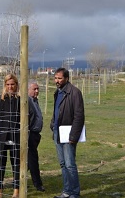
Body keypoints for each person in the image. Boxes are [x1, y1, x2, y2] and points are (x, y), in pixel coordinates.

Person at [50, 68, 85, 198]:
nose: (57, 81)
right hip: (57, 132)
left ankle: (74, 193)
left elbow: (79, 116)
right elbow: (56, 111)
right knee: (63, 163)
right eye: (55, 78)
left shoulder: (74, 93)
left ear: (66, 78)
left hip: (68, 134)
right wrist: (52, 124)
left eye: (59, 78)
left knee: (70, 164)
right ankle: (66, 191)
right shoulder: (57, 93)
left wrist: (73, 136)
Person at [0, 73, 20, 198]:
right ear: (5, 85)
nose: (10, 87)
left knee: (15, 162)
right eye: (8, 84)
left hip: (15, 136)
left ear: (16, 85)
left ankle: (16, 191)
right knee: (0, 162)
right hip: (2, 136)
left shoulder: (21, 99)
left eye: (12, 84)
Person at [27, 80, 45, 192]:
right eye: (34, 89)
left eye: (38, 89)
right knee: (33, 160)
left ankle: (18, 181)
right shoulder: (27, 101)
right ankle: (37, 184)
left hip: (35, 135)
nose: (37, 91)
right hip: (29, 134)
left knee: (29, 161)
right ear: (28, 90)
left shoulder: (35, 101)